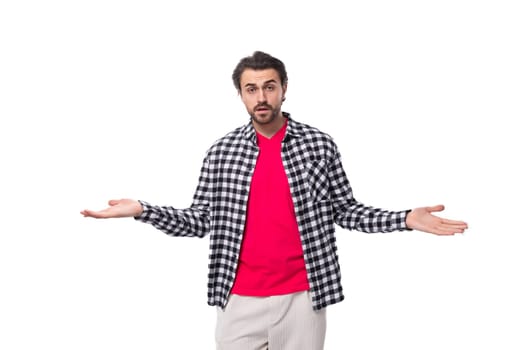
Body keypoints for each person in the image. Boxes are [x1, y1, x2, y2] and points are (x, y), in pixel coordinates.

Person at [81, 51, 468, 350]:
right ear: (240, 95)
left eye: (269, 86)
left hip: (303, 296)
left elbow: (345, 211)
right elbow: (200, 221)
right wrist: (144, 210)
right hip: (237, 297)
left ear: (284, 88)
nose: (261, 97)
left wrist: (404, 219)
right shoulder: (222, 152)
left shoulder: (318, 144)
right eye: (252, 89)